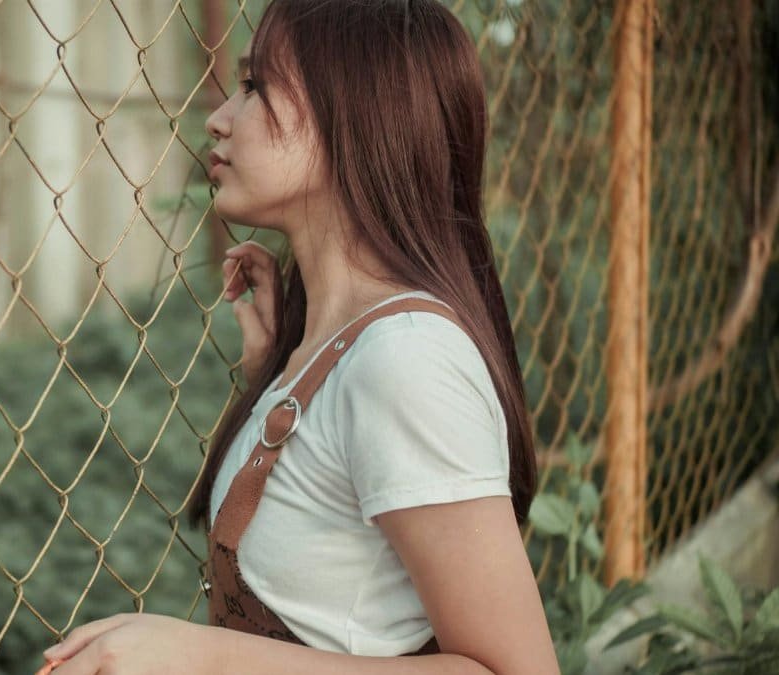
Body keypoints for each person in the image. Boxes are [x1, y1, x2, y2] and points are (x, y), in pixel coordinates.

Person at [38, 1, 560, 672]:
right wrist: (275, 372)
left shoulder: (405, 359)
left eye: (254, 86)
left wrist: (202, 658)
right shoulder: (340, 352)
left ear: (355, 112)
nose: (219, 117)